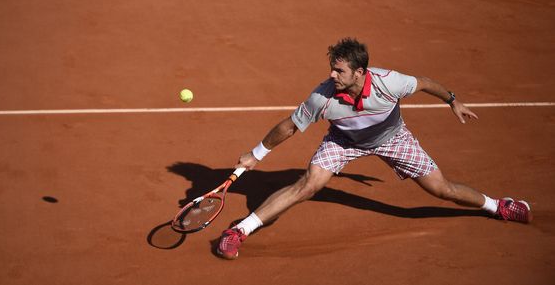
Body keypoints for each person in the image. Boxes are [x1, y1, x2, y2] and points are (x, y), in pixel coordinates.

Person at [216, 38, 532, 260]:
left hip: (393, 138)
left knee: (442, 189)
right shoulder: (323, 97)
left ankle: (498, 206)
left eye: (339, 71)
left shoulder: (390, 82)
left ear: (360, 72)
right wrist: (256, 154)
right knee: (307, 185)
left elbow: (423, 82)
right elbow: (289, 126)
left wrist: (452, 100)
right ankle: (239, 231)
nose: (331, 75)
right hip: (343, 142)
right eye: (331, 68)